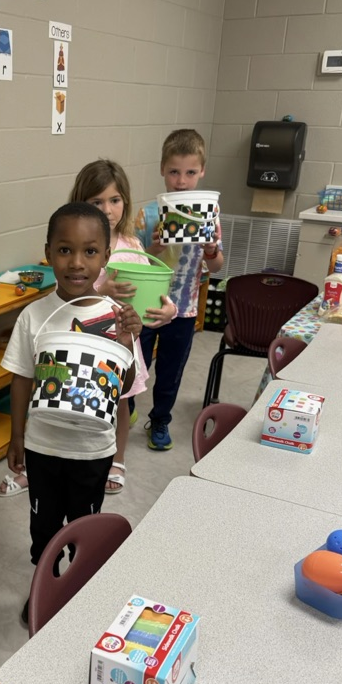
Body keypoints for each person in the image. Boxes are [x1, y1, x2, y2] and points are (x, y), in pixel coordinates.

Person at [1, 201, 142, 623]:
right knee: (44, 527)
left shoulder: (114, 315)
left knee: (84, 523)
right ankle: (45, 584)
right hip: (44, 446)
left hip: (93, 448)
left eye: (90, 251)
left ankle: (80, 590)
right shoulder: (34, 316)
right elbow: (22, 378)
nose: (76, 262)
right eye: (64, 250)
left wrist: (129, 340)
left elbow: (124, 384)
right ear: (47, 252)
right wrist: (17, 435)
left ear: (105, 256)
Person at [68, 159, 176, 493]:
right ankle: (75, 458)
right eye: (96, 202)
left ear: (125, 202)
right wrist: (101, 290)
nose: (107, 209)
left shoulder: (132, 245)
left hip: (123, 342)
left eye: (114, 200)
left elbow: (151, 294)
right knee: (82, 401)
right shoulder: (77, 247)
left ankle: (117, 460)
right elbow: (66, 297)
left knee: (121, 402)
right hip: (85, 340)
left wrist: (167, 310)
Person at [130, 129, 224, 451]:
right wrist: (152, 249)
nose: (181, 182)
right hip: (145, 307)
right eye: (174, 172)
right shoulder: (148, 214)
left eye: (190, 173)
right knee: (135, 364)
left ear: (202, 172)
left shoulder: (210, 215)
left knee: (170, 373)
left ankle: (160, 420)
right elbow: (132, 262)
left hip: (183, 309)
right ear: (162, 170)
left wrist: (211, 248)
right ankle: (124, 410)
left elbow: (217, 268)